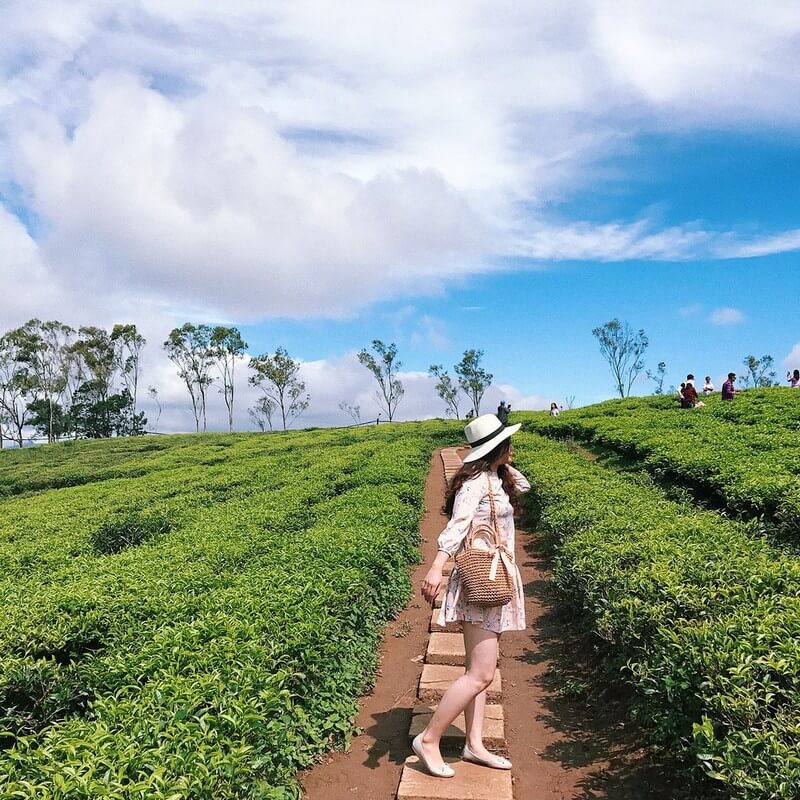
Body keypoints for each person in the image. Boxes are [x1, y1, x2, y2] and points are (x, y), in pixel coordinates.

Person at [415, 414, 529, 777]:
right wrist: (437, 567)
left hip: (494, 578)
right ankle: (429, 739)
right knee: (481, 674)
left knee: (478, 671)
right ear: (495, 447)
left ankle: (474, 744)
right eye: (507, 442)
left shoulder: (496, 477)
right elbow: (457, 526)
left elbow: (524, 486)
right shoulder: (476, 483)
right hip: (481, 581)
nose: (513, 447)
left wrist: (504, 466)